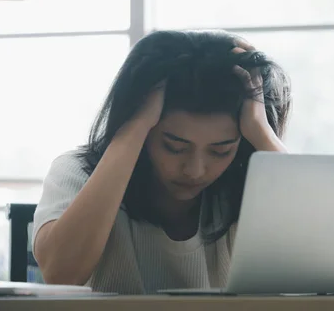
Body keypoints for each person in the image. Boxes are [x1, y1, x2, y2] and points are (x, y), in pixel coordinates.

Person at [32, 29, 292, 294]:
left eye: (220, 151)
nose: (195, 170)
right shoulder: (78, 171)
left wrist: (262, 131)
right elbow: (60, 273)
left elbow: (326, 255)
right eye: (174, 147)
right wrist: (132, 128)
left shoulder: (250, 184)